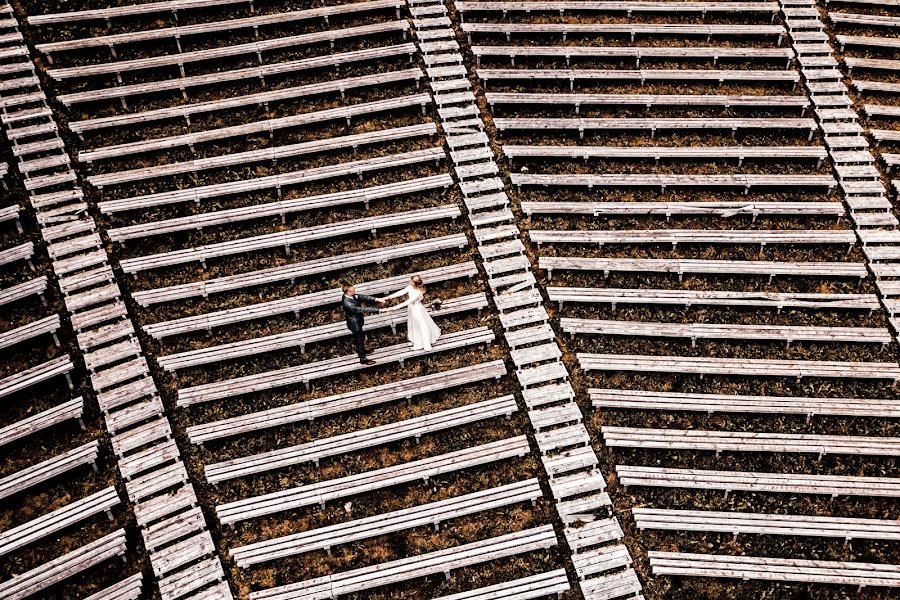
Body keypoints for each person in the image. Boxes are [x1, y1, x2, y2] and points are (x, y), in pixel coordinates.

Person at [382, 275, 441, 351]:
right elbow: (401, 292)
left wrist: (393, 308)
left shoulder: (418, 292)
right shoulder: (410, 287)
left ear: (415, 283)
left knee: (421, 325)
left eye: (411, 281)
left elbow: (407, 302)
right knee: (414, 325)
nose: (409, 282)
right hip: (411, 308)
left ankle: (423, 343)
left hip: (417, 309)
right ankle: (416, 340)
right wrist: (388, 297)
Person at [340, 281, 384, 365]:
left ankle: (362, 351)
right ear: (348, 292)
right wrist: (379, 310)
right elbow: (363, 309)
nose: (355, 291)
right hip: (354, 324)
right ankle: (363, 359)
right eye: (353, 290)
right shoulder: (348, 304)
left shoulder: (351, 296)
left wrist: (376, 299)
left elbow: (362, 297)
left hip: (358, 321)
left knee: (361, 338)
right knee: (359, 340)